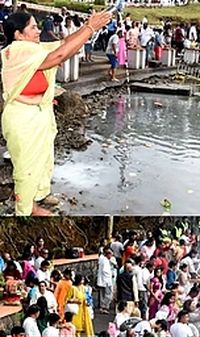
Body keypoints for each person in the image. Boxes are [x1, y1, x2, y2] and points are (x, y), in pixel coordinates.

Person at [1, 11, 111, 216]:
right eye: (33, 27)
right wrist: (90, 29)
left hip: (39, 112)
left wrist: (86, 27)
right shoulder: (17, 50)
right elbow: (59, 56)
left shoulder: (32, 47)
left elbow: (62, 44)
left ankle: (38, 196)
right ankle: (24, 209)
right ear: (18, 34)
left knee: (43, 157)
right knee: (26, 166)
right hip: (23, 117)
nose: (38, 30)